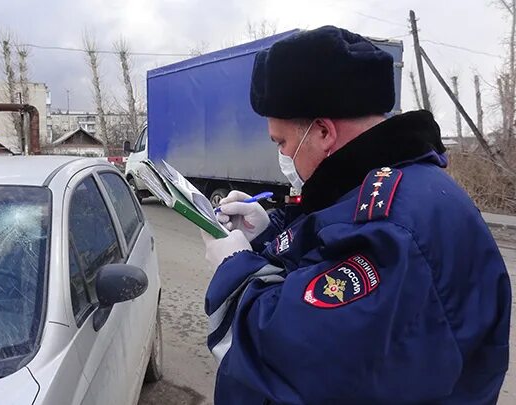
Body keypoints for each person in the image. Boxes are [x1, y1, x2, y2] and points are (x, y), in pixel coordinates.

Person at [202, 25, 511, 404]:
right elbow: (325, 246)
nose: (282, 155)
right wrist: (270, 233)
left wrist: (234, 271)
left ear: (323, 133)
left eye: (282, 142)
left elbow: (293, 356)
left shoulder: (390, 229)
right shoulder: (392, 185)